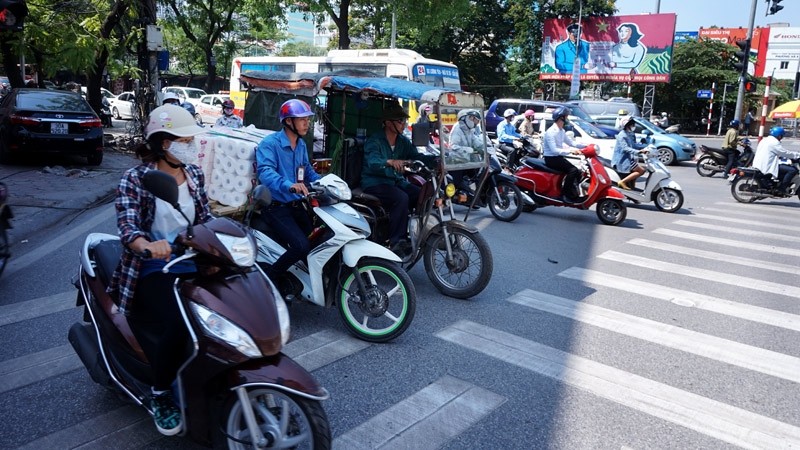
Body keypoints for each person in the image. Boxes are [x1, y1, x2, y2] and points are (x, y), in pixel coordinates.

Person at [109, 104, 212, 436]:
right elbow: (128, 230)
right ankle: (161, 393)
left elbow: (206, 221)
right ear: (166, 144)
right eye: (186, 140)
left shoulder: (194, 174)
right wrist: (147, 245)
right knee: (183, 322)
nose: (193, 146)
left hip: (191, 261)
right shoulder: (135, 180)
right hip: (153, 267)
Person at [256, 99, 321, 281]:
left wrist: (328, 183)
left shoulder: (300, 145)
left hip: (297, 205)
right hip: (276, 207)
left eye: (307, 119)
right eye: (302, 120)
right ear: (288, 121)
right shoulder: (270, 143)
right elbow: (265, 172)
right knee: (301, 246)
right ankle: (271, 280)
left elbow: (308, 172)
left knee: (318, 240)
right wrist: (289, 185)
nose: (307, 123)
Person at [361, 103, 437, 255]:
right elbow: (373, 162)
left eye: (404, 121)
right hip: (375, 182)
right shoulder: (375, 140)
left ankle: (416, 230)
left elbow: (416, 156)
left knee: (422, 193)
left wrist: (437, 161)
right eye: (400, 121)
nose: (403, 124)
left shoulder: (402, 141)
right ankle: (397, 241)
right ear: (388, 123)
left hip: (395, 181)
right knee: (400, 198)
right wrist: (389, 162)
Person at [542, 106, 585, 201]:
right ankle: (566, 194)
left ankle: (573, 191)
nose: (567, 119)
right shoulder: (551, 132)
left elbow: (571, 143)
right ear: (561, 118)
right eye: (566, 117)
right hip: (551, 158)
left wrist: (586, 146)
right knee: (573, 170)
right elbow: (554, 150)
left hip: (558, 157)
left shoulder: (561, 131)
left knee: (578, 171)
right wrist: (570, 151)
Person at [448, 109, 486, 197]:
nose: (475, 122)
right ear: (466, 118)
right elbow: (453, 147)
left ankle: (472, 195)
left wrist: (483, 148)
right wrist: (468, 150)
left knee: (475, 176)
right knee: (458, 182)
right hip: (457, 161)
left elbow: (475, 140)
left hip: (468, 160)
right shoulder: (457, 129)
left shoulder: (469, 129)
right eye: (473, 119)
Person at [752, 126, 800, 195]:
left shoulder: (766, 140)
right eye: (781, 136)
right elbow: (783, 152)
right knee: (792, 170)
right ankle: (782, 188)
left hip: (761, 163)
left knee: (785, 167)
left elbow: (776, 152)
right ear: (779, 135)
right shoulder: (774, 142)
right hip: (766, 165)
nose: (781, 137)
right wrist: (797, 155)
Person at [612, 117, 647, 190]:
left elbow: (633, 145)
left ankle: (632, 188)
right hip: (623, 160)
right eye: (632, 125)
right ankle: (622, 182)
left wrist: (645, 147)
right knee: (641, 171)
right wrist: (639, 152)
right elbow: (625, 148)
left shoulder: (629, 134)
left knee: (636, 173)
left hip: (629, 159)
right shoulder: (622, 135)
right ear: (627, 125)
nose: (634, 126)